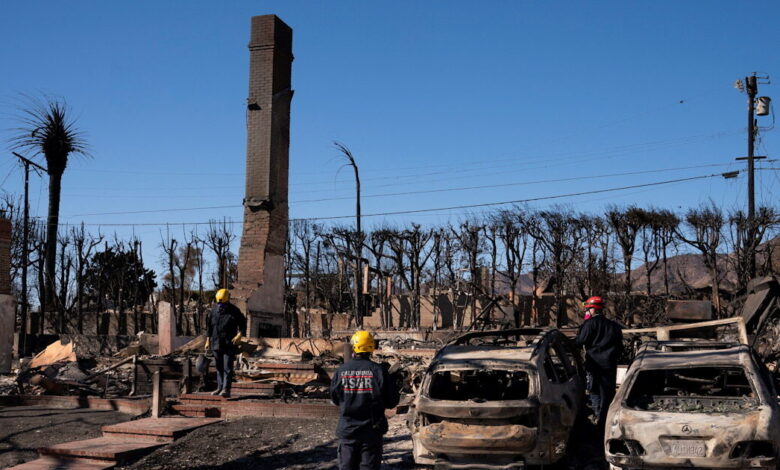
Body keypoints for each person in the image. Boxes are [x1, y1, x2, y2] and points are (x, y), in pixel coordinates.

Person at [330, 330, 400, 470]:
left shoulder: (341, 371)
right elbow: (391, 402)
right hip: (371, 432)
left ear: (354, 347)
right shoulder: (379, 371)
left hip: (348, 431)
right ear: (371, 347)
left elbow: (335, 399)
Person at [576, 296, 622, 426]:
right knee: (608, 392)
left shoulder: (590, 324)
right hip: (610, 364)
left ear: (592, 309)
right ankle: (607, 418)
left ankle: (598, 418)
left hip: (594, 364)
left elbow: (579, 341)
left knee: (594, 390)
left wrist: (585, 323)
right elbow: (620, 347)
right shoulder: (614, 326)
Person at [205, 288, 246, 398]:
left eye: (222, 303)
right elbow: (209, 327)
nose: (220, 305)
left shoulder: (234, 311)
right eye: (218, 303)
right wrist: (207, 341)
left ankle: (226, 389)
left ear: (227, 300)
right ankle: (219, 387)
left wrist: (240, 334)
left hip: (229, 343)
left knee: (227, 367)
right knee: (219, 367)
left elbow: (243, 323)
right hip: (216, 343)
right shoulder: (213, 311)